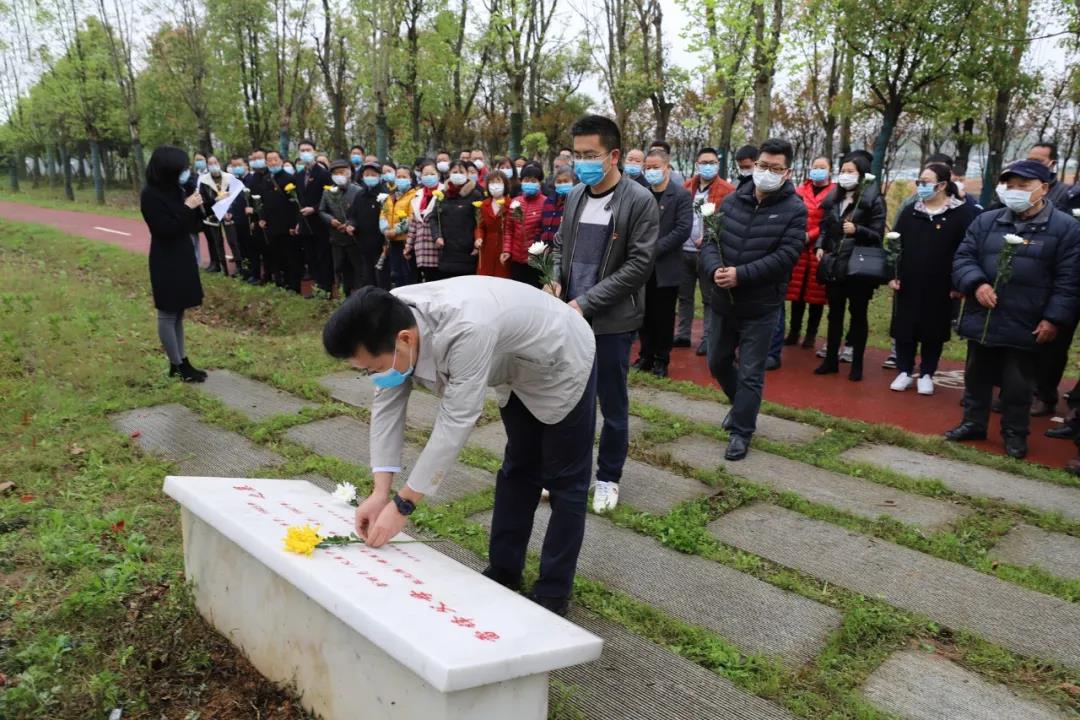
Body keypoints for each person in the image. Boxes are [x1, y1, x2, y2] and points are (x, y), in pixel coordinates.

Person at [324, 279, 597, 616]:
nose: (374, 377)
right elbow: (387, 408)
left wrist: (404, 504)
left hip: (560, 356)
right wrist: (381, 492)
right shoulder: (389, 317)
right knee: (518, 468)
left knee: (565, 481)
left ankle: (553, 593)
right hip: (512, 363)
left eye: (374, 368)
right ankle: (504, 571)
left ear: (405, 340)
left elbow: (456, 421)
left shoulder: (467, 327)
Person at [551, 114, 658, 512]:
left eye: (591, 155)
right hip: (570, 315)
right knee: (566, 400)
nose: (583, 164)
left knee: (612, 404)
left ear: (613, 156)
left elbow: (637, 267)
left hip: (610, 321)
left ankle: (608, 476)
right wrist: (556, 279)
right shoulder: (577, 194)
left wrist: (587, 302)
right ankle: (565, 472)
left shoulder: (639, 201)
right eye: (577, 155)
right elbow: (562, 242)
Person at [947, 159, 1080, 459]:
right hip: (984, 316)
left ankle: (1014, 434)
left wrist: (1053, 319)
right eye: (1010, 186)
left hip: (1027, 320)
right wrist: (977, 284)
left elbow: (1069, 281)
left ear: (1043, 188)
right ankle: (973, 423)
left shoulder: (1066, 229)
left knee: (1018, 384)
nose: (1015, 191)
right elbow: (963, 258)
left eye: (1024, 186)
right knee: (976, 375)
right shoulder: (987, 221)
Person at [702, 138, 805, 461]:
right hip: (723, 302)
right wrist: (715, 269)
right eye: (762, 166)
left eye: (775, 168)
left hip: (761, 306)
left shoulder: (794, 209)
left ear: (787, 173)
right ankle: (741, 406)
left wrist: (741, 274)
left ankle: (741, 432)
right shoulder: (733, 201)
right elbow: (709, 240)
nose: (766, 173)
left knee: (750, 372)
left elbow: (787, 256)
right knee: (717, 361)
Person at [888, 162, 978, 395]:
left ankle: (927, 372)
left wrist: (959, 283)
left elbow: (965, 251)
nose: (921, 186)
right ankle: (905, 370)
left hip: (941, 285)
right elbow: (895, 246)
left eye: (926, 182)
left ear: (942, 184)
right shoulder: (911, 211)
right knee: (905, 327)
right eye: (919, 182)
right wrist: (892, 275)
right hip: (908, 281)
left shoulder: (960, 215)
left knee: (933, 329)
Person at [813, 153, 886, 381]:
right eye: (842, 171)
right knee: (834, 314)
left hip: (858, 267)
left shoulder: (874, 200)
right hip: (835, 263)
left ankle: (857, 365)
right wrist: (820, 245)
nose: (845, 176)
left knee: (858, 315)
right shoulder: (834, 198)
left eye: (850, 171)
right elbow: (825, 226)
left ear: (862, 175)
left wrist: (858, 230)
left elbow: (878, 234)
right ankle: (831, 360)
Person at [141, 145, 209, 383]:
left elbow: (189, 224)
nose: (186, 172)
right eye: (181, 168)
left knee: (179, 311)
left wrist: (197, 206)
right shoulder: (150, 194)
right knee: (168, 313)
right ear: (167, 169)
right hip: (165, 257)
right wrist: (186, 207)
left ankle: (182, 360)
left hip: (183, 253)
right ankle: (176, 364)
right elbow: (164, 228)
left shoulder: (178, 190)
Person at [633, 148, 693, 378]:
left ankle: (661, 359)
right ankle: (645, 355)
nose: (651, 171)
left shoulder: (680, 195)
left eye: (655, 167)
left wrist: (654, 249)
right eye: (647, 167)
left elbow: (682, 230)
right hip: (640, 266)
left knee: (663, 315)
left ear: (667, 167)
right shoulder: (641, 194)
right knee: (643, 314)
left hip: (665, 267)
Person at [680, 147, 737, 356]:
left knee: (708, 298)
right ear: (697, 164)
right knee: (684, 296)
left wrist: (712, 235)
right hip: (684, 249)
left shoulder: (728, 190)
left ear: (717, 164)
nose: (707, 166)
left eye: (712, 162)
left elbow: (729, 221)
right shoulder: (686, 187)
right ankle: (683, 334)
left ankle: (707, 338)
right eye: (704, 162)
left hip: (708, 252)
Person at [785, 156, 834, 349]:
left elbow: (829, 222)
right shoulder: (800, 191)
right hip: (798, 247)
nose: (818, 170)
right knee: (797, 293)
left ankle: (811, 334)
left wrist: (811, 236)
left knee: (816, 295)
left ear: (830, 170)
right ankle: (793, 331)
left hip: (819, 248)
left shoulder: (833, 193)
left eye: (823, 167)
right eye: (815, 167)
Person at [259, 149, 303, 293]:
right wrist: (262, 218)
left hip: (287, 226)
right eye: (269, 160)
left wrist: (294, 223)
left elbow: (295, 204)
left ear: (281, 161)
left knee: (291, 257)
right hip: (271, 226)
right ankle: (280, 283)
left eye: (275, 159)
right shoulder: (265, 180)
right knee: (276, 256)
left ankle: (294, 286)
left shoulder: (290, 179)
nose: (272, 162)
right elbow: (263, 202)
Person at [319, 160, 364, 294]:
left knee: (358, 267)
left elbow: (361, 213)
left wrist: (350, 224)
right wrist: (331, 220)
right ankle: (344, 292)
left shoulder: (358, 191)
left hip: (353, 238)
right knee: (340, 267)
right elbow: (321, 210)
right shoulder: (328, 191)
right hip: (336, 237)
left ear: (350, 173)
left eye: (343, 172)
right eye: (336, 173)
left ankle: (360, 294)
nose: (340, 175)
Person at [432, 160, 482, 279]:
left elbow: (480, 222)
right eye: (455, 171)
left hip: (468, 252)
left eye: (461, 171)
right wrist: (437, 236)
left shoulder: (475, 195)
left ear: (467, 174)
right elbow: (434, 218)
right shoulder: (442, 195)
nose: (458, 174)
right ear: (449, 173)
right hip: (447, 251)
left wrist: (477, 243)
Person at [297, 139, 334, 295]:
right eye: (302, 150)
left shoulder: (324, 174)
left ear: (314, 151)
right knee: (311, 257)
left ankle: (326, 288)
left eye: (308, 149)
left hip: (320, 223)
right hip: (305, 224)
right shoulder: (298, 175)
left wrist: (314, 209)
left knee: (323, 256)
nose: (305, 153)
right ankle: (317, 287)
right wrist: (298, 222)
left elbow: (329, 198)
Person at [502, 164, 548, 286]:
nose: (529, 183)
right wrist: (507, 250)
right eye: (526, 180)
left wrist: (538, 254)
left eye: (533, 180)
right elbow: (509, 229)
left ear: (540, 183)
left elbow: (545, 232)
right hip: (516, 259)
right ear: (521, 181)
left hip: (535, 260)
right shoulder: (515, 201)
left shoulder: (546, 203)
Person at [405, 161, 443, 283]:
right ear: (421, 176)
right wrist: (408, 246)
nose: (429, 176)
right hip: (421, 248)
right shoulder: (418, 195)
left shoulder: (444, 192)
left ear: (438, 175)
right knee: (425, 281)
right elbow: (413, 225)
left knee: (439, 280)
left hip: (437, 246)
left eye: (432, 173)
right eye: (425, 174)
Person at [382, 166, 417, 288]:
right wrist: (385, 229)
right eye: (398, 177)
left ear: (411, 179)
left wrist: (396, 230)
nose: (400, 179)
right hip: (393, 242)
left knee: (408, 274)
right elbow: (383, 214)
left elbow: (412, 217)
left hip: (406, 242)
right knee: (396, 274)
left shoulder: (414, 196)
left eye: (404, 177)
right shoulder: (390, 197)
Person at [474, 170, 511, 279]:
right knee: (485, 278)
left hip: (504, 247)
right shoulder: (484, 205)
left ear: (505, 185)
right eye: (492, 182)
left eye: (498, 182)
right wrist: (479, 238)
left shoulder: (511, 204)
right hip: (487, 247)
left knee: (502, 278)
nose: (495, 186)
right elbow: (480, 227)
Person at [197, 156, 231, 276]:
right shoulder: (204, 181)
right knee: (217, 241)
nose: (213, 165)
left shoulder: (228, 177)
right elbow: (204, 200)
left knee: (233, 241)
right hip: (213, 215)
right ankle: (221, 267)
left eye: (215, 162)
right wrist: (215, 201)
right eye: (210, 163)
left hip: (228, 214)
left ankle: (240, 267)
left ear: (219, 163)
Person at [224, 156, 252, 281]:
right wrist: (229, 212)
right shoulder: (233, 181)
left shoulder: (251, 179)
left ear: (246, 165)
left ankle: (253, 271)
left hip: (250, 219)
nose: (237, 168)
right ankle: (244, 270)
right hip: (237, 219)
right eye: (234, 166)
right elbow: (230, 199)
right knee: (241, 246)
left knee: (251, 246)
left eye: (239, 165)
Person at [540, 166, 573, 248]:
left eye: (566, 181)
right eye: (559, 182)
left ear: (573, 182)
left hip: (564, 248)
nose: (562, 184)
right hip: (546, 248)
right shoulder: (548, 201)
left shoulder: (575, 202)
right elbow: (541, 226)